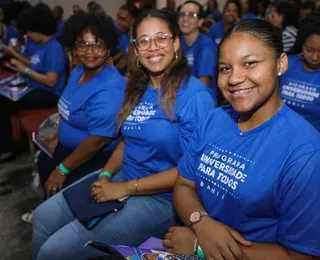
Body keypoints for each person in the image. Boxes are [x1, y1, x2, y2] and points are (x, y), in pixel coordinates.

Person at [32, 8, 216, 260]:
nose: (153, 47)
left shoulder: (195, 96)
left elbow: (192, 170)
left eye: (161, 38)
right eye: (144, 40)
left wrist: (124, 188)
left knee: (53, 251)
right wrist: (106, 174)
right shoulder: (137, 87)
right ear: (136, 50)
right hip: (121, 177)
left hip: (163, 198)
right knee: (42, 217)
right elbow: (127, 141)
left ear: (175, 43)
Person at [163, 19, 320, 260]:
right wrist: (201, 223)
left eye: (249, 63)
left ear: (280, 64)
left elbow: (301, 256)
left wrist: (200, 246)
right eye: (225, 68)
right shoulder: (214, 119)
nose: (234, 78)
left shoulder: (305, 154)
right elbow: (184, 184)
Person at [0, 6, 67, 163]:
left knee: (2, 103)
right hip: (34, 85)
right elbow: (33, 64)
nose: (27, 35)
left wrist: (27, 71)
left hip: (49, 93)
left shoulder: (54, 48)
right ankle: (12, 139)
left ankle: (6, 149)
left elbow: (51, 81)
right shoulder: (41, 46)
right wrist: (22, 68)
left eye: (29, 31)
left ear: (38, 29)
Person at [280, 12, 320, 131]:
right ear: (301, 44)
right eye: (309, 50)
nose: (314, 57)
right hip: (278, 132)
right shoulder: (286, 64)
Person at [178, 1, 218, 98]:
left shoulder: (206, 46)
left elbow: (203, 84)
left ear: (200, 21)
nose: (185, 18)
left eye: (192, 15)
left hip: (200, 100)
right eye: (182, 14)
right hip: (180, 95)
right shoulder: (177, 42)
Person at [114, 4, 140, 73]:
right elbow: (124, 57)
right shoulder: (123, 36)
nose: (117, 22)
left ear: (133, 21)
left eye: (122, 19)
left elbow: (131, 67)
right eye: (118, 18)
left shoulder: (140, 40)